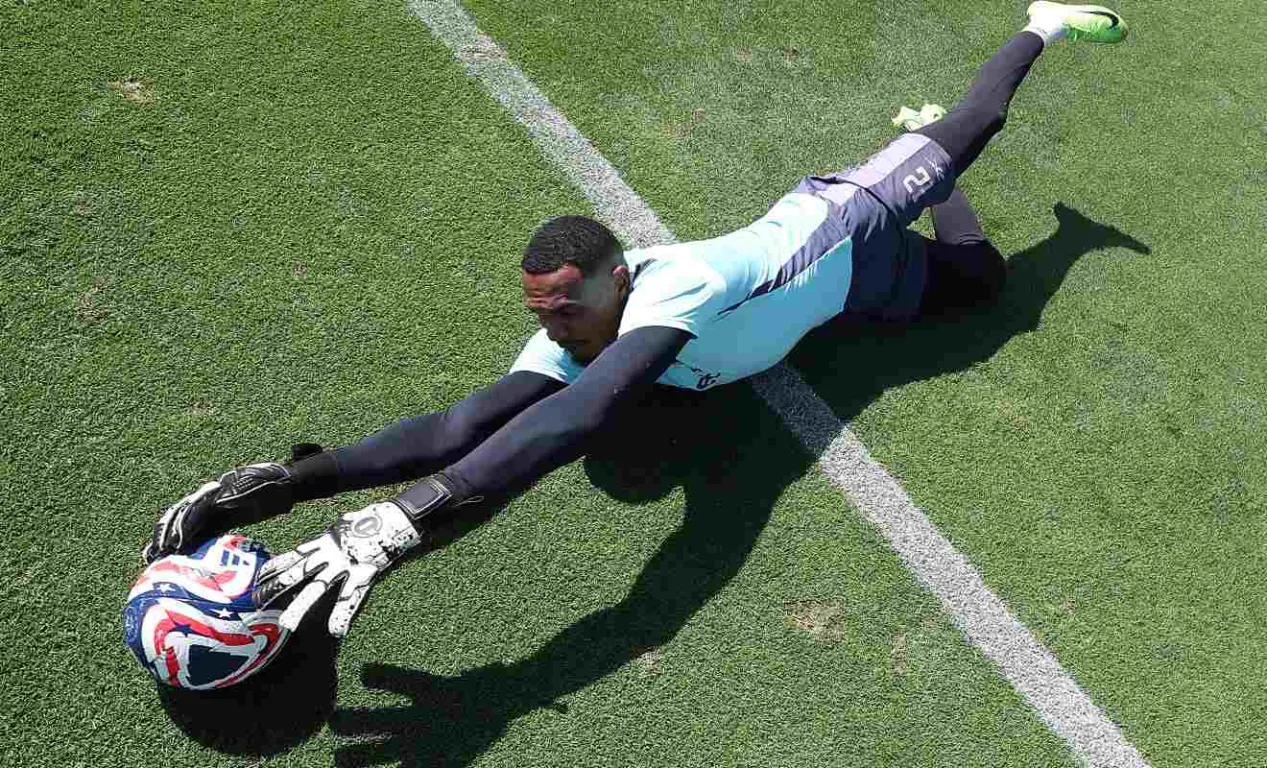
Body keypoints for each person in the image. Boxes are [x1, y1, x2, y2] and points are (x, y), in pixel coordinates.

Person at [143, 2, 1128, 638]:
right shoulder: (574, 328)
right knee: (972, 279)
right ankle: (933, 185)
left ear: (617, 279)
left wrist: (405, 520)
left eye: (570, 309)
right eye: (546, 316)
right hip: (849, 299)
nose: (560, 332)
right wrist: (280, 487)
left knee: (967, 174)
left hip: (846, 226)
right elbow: (460, 429)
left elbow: (576, 421)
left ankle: (1033, 26)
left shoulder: (675, 289)